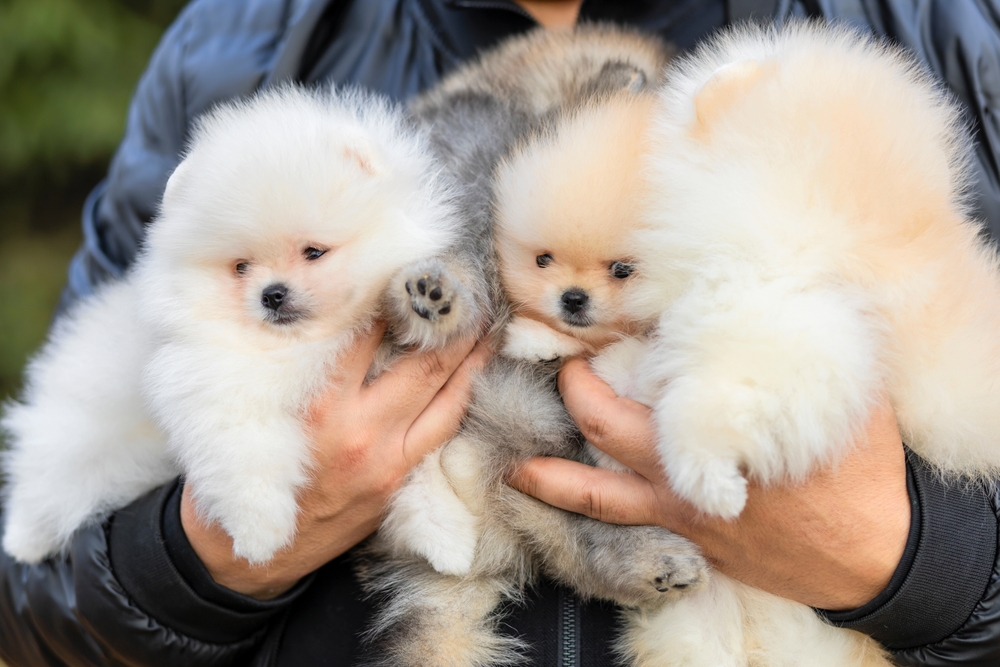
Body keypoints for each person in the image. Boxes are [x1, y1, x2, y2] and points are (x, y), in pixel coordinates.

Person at [1, 1, 999, 665]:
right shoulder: (236, 46)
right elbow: (33, 581)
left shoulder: (944, 30)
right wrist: (208, 555)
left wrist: (916, 559)